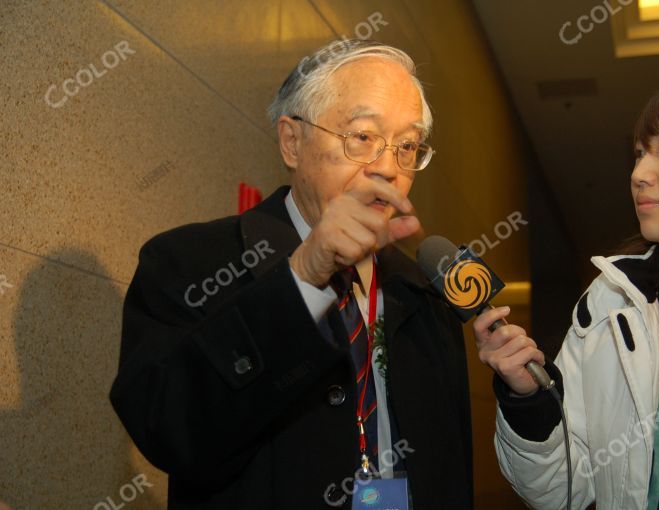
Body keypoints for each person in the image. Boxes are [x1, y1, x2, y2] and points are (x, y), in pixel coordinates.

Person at [110, 39, 473, 509]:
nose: (388, 167)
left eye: (406, 146)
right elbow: (171, 434)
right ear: (292, 141)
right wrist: (302, 277)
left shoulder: (421, 293)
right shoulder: (190, 261)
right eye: (362, 137)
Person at [474, 66, 659, 509]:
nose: (639, 173)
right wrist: (529, 399)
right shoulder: (609, 303)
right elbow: (561, 491)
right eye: (638, 153)